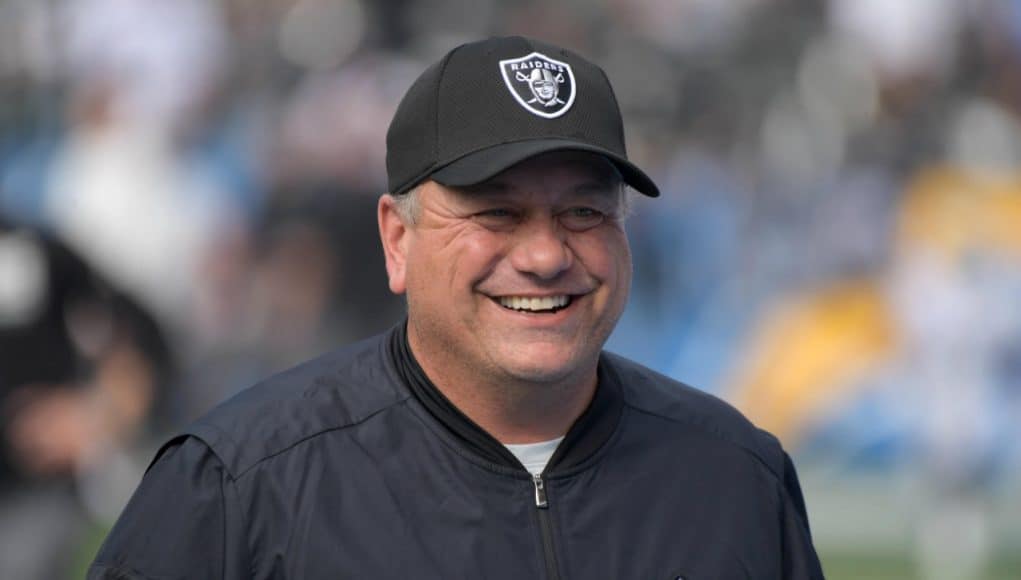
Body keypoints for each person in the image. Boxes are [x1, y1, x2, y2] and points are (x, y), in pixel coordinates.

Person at [88, 36, 825, 579]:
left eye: (582, 213)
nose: (544, 255)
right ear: (396, 239)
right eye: (496, 215)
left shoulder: (734, 476)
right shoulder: (240, 486)